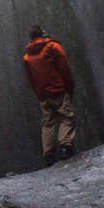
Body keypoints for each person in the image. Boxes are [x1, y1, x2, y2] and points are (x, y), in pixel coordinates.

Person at [23, 23, 76, 167]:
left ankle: (49, 156)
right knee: (67, 117)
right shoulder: (53, 47)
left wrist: (39, 93)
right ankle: (65, 148)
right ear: (41, 34)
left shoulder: (27, 57)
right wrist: (69, 88)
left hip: (43, 95)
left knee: (48, 124)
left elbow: (30, 79)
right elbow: (64, 67)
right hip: (59, 90)